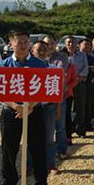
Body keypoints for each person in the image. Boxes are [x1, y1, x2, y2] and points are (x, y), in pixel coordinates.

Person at [0, 30, 53, 185]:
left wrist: (29, 106)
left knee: (38, 149)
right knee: (8, 150)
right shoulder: (4, 65)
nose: (22, 45)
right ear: (11, 43)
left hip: (34, 112)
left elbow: (46, 89)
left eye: (25, 41)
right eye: (19, 42)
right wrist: (16, 106)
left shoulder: (40, 64)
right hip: (10, 112)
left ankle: (41, 183)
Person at [31, 41, 63, 175]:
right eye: (39, 50)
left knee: (49, 138)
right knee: (31, 139)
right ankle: (30, 165)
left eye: (45, 49)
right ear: (32, 51)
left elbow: (58, 92)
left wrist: (58, 108)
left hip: (49, 108)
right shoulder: (28, 69)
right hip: (32, 109)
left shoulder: (53, 69)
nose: (42, 52)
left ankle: (50, 164)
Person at [43, 35, 70, 164]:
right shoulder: (38, 57)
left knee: (60, 126)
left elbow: (58, 71)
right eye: (47, 44)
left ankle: (62, 150)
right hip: (43, 99)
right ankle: (48, 156)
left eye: (52, 43)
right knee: (47, 130)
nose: (49, 46)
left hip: (59, 96)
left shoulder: (62, 57)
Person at [65, 36, 89, 138]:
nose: (71, 44)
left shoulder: (82, 55)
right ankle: (68, 130)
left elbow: (85, 67)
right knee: (67, 109)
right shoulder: (62, 55)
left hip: (80, 84)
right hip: (66, 86)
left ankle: (81, 130)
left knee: (81, 107)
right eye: (69, 42)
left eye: (73, 42)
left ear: (77, 45)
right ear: (65, 44)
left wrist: (79, 78)